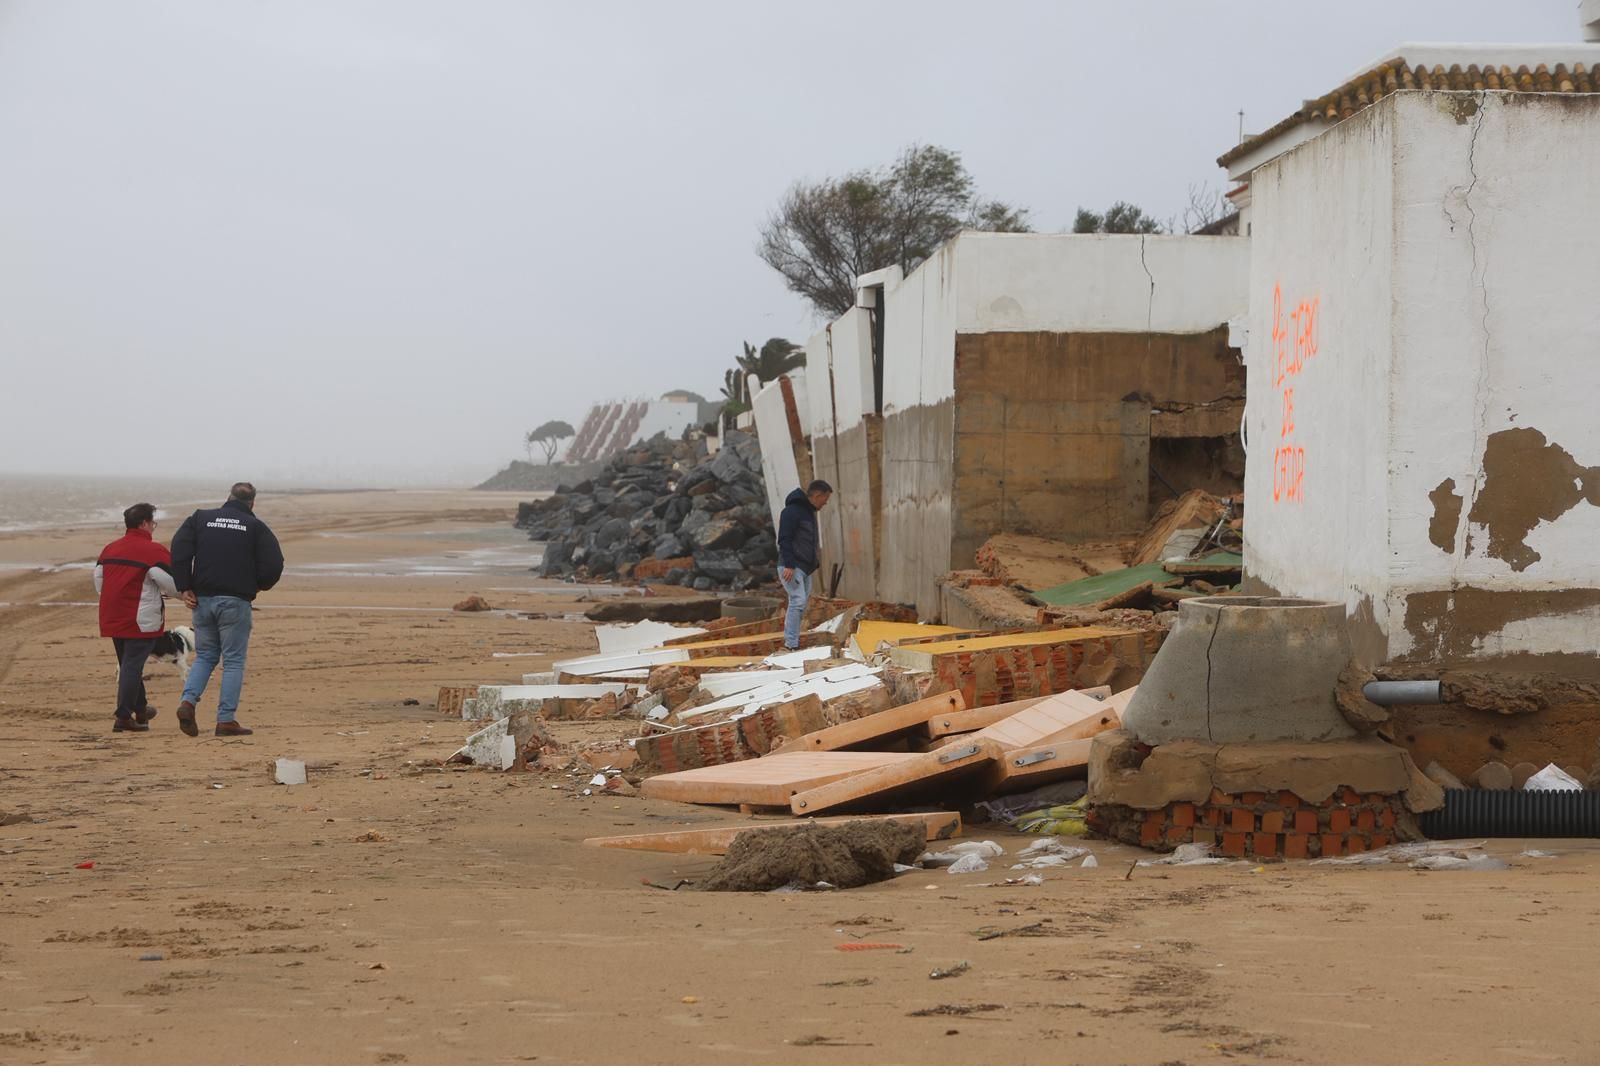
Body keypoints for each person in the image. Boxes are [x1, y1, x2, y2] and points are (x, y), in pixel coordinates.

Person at [170, 482, 284, 737]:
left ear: (228, 497)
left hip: (203, 599)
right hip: (235, 601)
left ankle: (188, 702)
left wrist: (184, 585)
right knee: (233, 661)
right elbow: (274, 564)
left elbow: (179, 548)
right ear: (252, 503)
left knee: (206, 656)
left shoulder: (201, 518)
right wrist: (257, 585)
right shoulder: (255, 526)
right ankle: (225, 720)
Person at [94, 503, 178, 733]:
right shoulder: (153, 551)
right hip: (140, 619)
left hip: (113, 615)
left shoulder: (110, 549)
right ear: (144, 523)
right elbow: (173, 584)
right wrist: (184, 596)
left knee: (128, 664)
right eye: (153, 523)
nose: (153, 527)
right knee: (131, 666)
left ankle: (140, 710)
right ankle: (123, 716)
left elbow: (99, 581)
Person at [776, 479, 832, 650]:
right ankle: (790, 644)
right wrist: (789, 565)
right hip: (791, 567)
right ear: (817, 495)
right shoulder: (791, 512)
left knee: (801, 604)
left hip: (804, 569)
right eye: (825, 498)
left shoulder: (808, 513)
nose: (826, 502)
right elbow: (784, 538)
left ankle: (793, 642)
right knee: (797, 601)